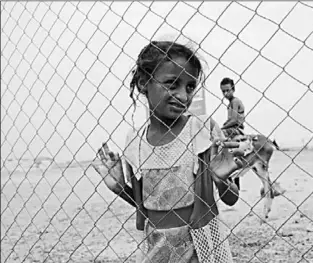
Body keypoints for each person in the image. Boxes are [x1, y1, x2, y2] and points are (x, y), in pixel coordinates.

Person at [92, 41, 249, 262]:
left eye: (190, 87)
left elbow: (231, 198)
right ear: (143, 83)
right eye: (172, 84)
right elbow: (145, 207)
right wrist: (119, 188)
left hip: (201, 248)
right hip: (158, 250)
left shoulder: (201, 130)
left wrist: (221, 179)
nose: (184, 97)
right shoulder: (134, 141)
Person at [220, 77, 245, 190]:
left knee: (218, 136)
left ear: (233, 89)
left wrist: (222, 128)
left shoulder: (235, 101)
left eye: (228, 90)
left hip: (236, 128)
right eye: (223, 91)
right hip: (231, 128)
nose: (225, 93)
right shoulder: (229, 104)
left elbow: (234, 120)